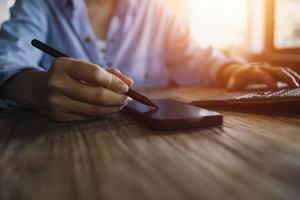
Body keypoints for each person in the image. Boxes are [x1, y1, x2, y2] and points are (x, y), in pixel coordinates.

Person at [0, 0, 299, 121]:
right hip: (59, 149)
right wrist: (36, 87)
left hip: (150, 153)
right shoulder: (37, 4)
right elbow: (6, 60)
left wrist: (232, 70)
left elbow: (194, 58)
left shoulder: (155, 10)